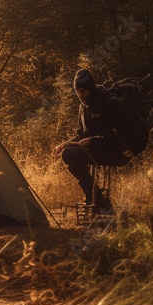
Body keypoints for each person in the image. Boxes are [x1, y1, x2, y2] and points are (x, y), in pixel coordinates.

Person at [54, 69, 138, 211]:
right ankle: (96, 196)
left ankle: (96, 198)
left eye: (81, 92)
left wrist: (94, 141)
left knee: (69, 154)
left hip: (120, 153)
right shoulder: (83, 108)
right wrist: (65, 143)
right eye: (78, 92)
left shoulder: (112, 103)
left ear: (85, 90)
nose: (79, 96)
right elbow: (82, 135)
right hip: (98, 149)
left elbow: (126, 139)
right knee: (67, 151)